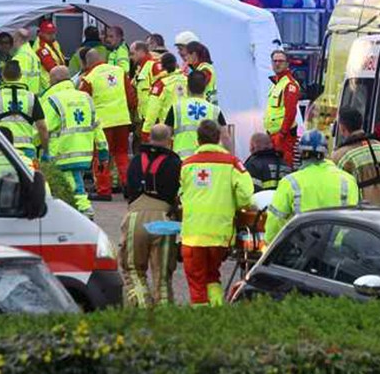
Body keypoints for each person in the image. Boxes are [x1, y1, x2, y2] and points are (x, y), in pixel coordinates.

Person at [179, 120, 253, 306]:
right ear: (218, 138)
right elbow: (246, 196)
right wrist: (232, 204)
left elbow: (179, 195)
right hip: (221, 235)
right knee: (212, 275)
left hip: (193, 235)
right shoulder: (232, 163)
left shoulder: (187, 165)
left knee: (197, 281)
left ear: (198, 140)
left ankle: (202, 321)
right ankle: (217, 310)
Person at [120, 124, 182, 306]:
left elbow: (128, 190)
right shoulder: (175, 163)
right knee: (162, 277)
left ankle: (143, 308)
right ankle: (164, 315)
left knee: (133, 270)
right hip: (164, 221)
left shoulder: (136, 161)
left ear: (149, 138)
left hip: (134, 219)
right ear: (169, 141)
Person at [264, 130, 359, 244]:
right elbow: (354, 218)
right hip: (336, 251)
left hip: (300, 250)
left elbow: (275, 219)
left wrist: (270, 244)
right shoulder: (347, 180)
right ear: (325, 153)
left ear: (301, 153)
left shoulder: (291, 181)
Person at [42, 66, 108, 218]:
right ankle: (78, 211)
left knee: (74, 185)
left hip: (61, 151)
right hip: (84, 151)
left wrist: (38, 146)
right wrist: (103, 150)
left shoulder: (52, 100)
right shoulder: (86, 98)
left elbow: (44, 127)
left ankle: (84, 210)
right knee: (74, 181)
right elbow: (96, 126)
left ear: (55, 80)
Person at [79, 50, 137, 201]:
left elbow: (83, 102)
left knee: (102, 157)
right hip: (122, 120)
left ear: (87, 63)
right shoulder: (119, 71)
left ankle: (104, 191)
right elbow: (131, 98)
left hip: (103, 123)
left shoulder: (89, 78)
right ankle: (129, 187)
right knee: (122, 154)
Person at [331, 107, 380, 205]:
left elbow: (337, 191)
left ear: (342, 127)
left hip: (359, 215)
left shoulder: (339, 157)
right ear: (361, 124)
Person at [0, 61, 49, 160]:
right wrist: (46, 151)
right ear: (20, 75)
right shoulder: (31, 97)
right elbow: (42, 127)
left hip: (2, 147)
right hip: (27, 151)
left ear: (2, 75)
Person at [165, 70, 226, 159]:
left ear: (187, 87)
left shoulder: (176, 108)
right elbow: (226, 137)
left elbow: (166, 135)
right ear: (205, 87)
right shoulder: (214, 110)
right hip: (207, 162)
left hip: (182, 161)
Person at [264, 49, 300, 168]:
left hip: (283, 137)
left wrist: (282, 133)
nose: (277, 64)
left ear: (287, 64)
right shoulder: (277, 84)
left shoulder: (289, 85)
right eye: (274, 61)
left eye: (280, 61)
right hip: (274, 135)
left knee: (284, 167)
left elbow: (290, 112)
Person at [142, 53, 188, 141]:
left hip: (168, 131)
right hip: (187, 128)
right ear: (176, 64)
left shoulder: (161, 85)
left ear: (162, 66)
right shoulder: (187, 80)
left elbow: (153, 110)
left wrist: (146, 131)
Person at [130, 40, 162, 150]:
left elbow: (162, 88)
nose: (131, 57)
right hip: (142, 117)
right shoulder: (140, 68)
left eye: (132, 54)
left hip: (152, 118)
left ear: (141, 52)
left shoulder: (154, 66)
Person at [35, 20, 66, 89]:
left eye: (53, 32)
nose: (52, 35)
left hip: (57, 80)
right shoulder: (41, 47)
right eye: (49, 33)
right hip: (48, 84)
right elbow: (51, 67)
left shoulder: (54, 43)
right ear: (41, 33)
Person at [11, 28, 43, 94]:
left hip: (24, 97)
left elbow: (19, 81)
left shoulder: (21, 56)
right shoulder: (32, 54)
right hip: (33, 95)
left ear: (17, 38)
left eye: (13, 38)